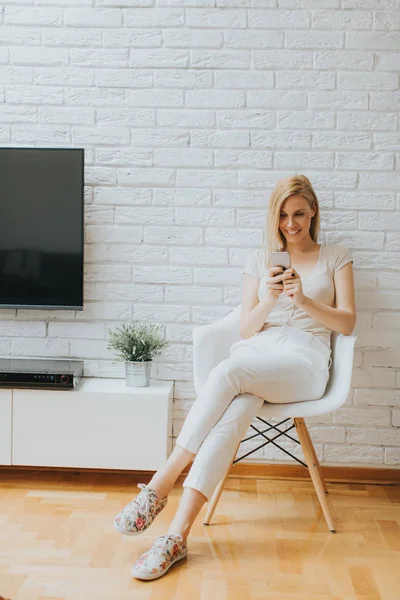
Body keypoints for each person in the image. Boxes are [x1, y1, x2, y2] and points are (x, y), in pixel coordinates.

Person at [113, 174, 356, 581]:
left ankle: (160, 483)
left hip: (304, 362)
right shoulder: (260, 260)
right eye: (282, 215)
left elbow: (347, 323)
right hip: (258, 354)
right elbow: (246, 329)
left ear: (313, 211)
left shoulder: (336, 256)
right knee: (235, 409)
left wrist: (305, 300)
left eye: (298, 213)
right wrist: (269, 299)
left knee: (228, 370)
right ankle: (176, 536)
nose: (291, 224)